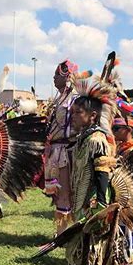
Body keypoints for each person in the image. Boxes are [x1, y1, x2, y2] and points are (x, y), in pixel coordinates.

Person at [34, 74, 133, 265]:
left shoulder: (97, 140)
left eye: (78, 113)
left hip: (96, 201)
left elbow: (102, 175)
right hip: (83, 200)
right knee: (87, 241)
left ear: (93, 116)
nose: (74, 117)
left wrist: (101, 204)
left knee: (98, 242)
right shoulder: (84, 138)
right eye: (73, 112)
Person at [43, 60, 79, 235]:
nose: (53, 77)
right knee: (58, 193)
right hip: (56, 151)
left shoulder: (76, 99)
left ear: (67, 77)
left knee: (65, 193)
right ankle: (62, 233)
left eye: (56, 75)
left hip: (67, 151)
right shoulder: (60, 98)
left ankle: (64, 234)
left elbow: (80, 124)